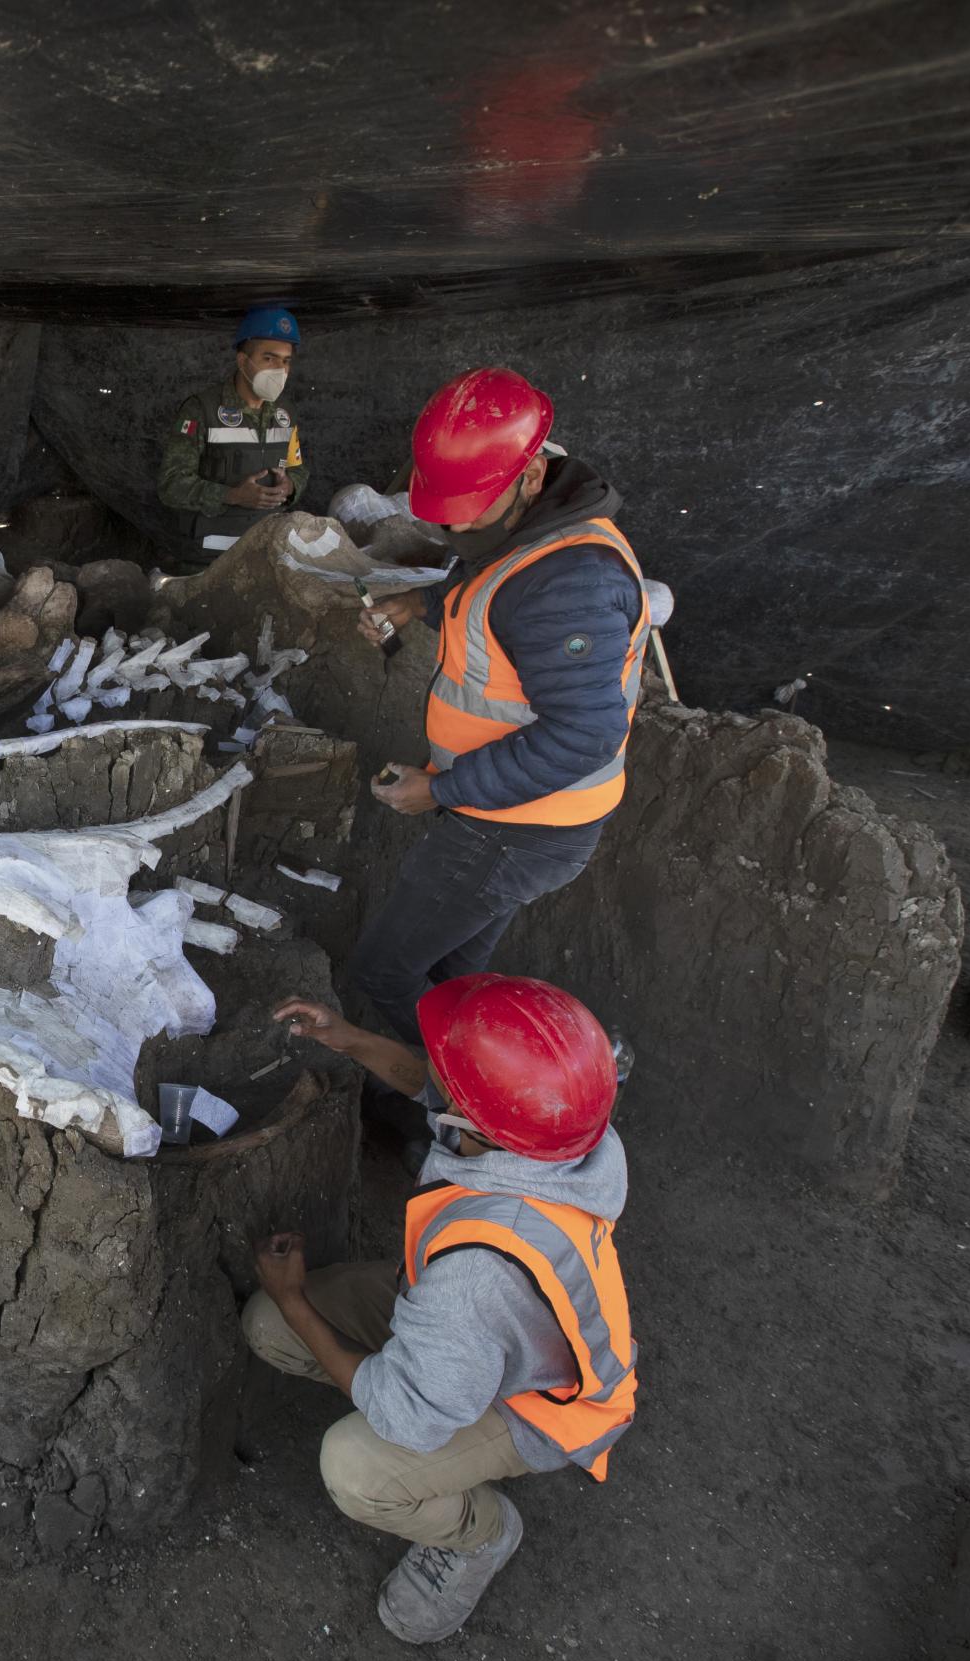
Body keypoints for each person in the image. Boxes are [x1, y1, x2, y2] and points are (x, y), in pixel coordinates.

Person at [248, 974, 636, 1646]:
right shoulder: (556, 1127)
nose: (439, 1080)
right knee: (267, 1327)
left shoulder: (475, 1280)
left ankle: (479, 1536)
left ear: (480, 1122)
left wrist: (294, 1296)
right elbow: (438, 1086)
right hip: (480, 1334)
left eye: (456, 1080)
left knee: (355, 1465)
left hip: (534, 1403)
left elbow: (405, 1413)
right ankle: (426, 1389)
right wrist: (345, 1038)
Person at [346, 368, 646, 1136]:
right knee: (453, 977)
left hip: (515, 823)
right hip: (511, 811)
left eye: (465, 514)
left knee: (384, 968)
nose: (454, 531)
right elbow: (492, 577)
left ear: (533, 472)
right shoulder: (531, 526)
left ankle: (463, 1118)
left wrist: (439, 791)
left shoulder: (569, 581)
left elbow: (582, 733)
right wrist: (425, 601)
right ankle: (477, 1104)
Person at [156, 305, 309, 565]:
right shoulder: (202, 409)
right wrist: (232, 495)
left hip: (267, 553)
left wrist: (290, 486)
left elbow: (298, 469)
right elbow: (171, 485)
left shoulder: (285, 413)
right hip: (209, 556)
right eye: (268, 358)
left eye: (286, 361)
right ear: (242, 361)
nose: (279, 369)